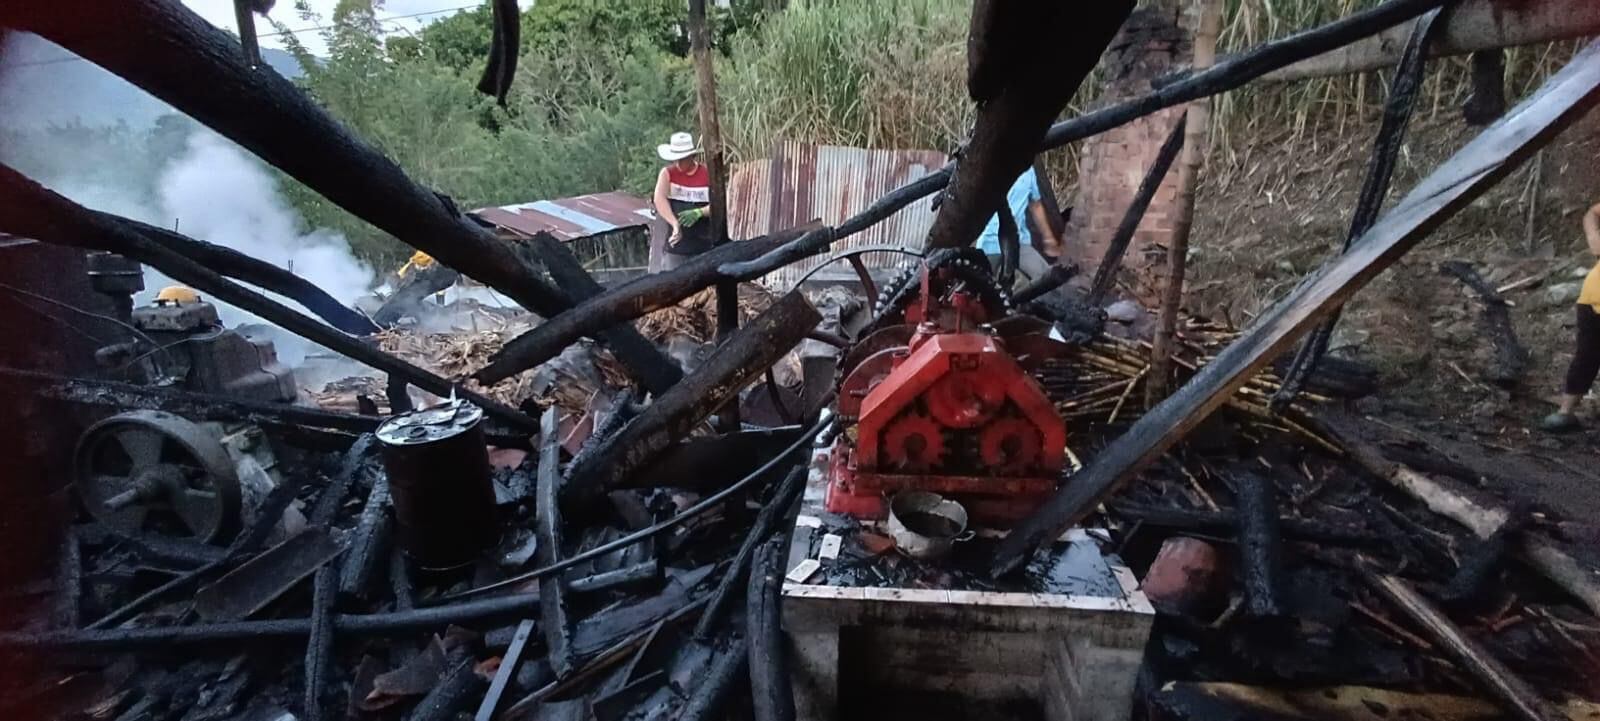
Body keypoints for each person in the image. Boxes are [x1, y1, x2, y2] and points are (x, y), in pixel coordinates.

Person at [1541, 200, 1600, 431]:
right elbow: (1591, 213)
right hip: (1592, 297)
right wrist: (1593, 236)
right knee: (1586, 355)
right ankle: (1565, 412)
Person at [975, 164, 1063, 272]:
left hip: (1019, 244)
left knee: (1047, 279)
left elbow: (1036, 205)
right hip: (989, 245)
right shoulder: (988, 165)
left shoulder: (1029, 170)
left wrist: (1049, 239)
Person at [648, 131, 714, 272]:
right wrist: (674, 223)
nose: (677, 163)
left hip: (703, 243)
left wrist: (700, 212)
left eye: (682, 159)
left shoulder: (706, 174)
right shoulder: (667, 174)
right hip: (677, 246)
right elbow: (659, 199)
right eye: (675, 159)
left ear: (691, 157)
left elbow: (719, 205)